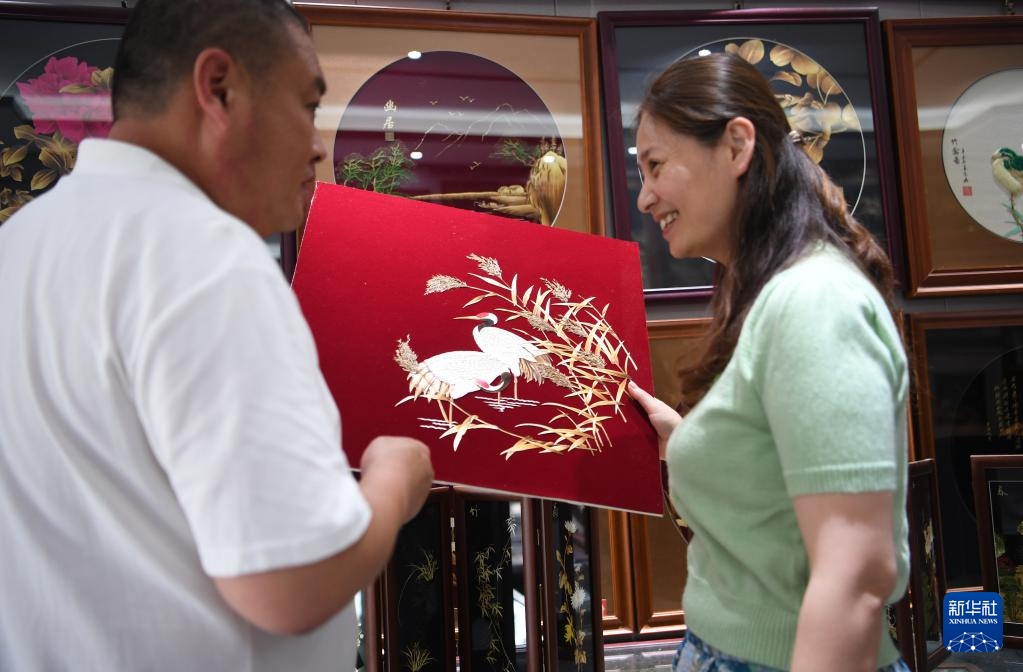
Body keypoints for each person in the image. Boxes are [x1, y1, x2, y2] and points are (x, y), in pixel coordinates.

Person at [0, 1, 433, 669]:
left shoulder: (21, 244)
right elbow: (289, 584)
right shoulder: (202, 255)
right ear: (219, 89)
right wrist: (393, 481)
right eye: (307, 104)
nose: (317, 144)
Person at [626, 53, 910, 672]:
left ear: (736, 146)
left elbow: (856, 573)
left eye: (656, 165)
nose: (644, 197)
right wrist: (688, 438)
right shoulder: (771, 292)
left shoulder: (815, 302)